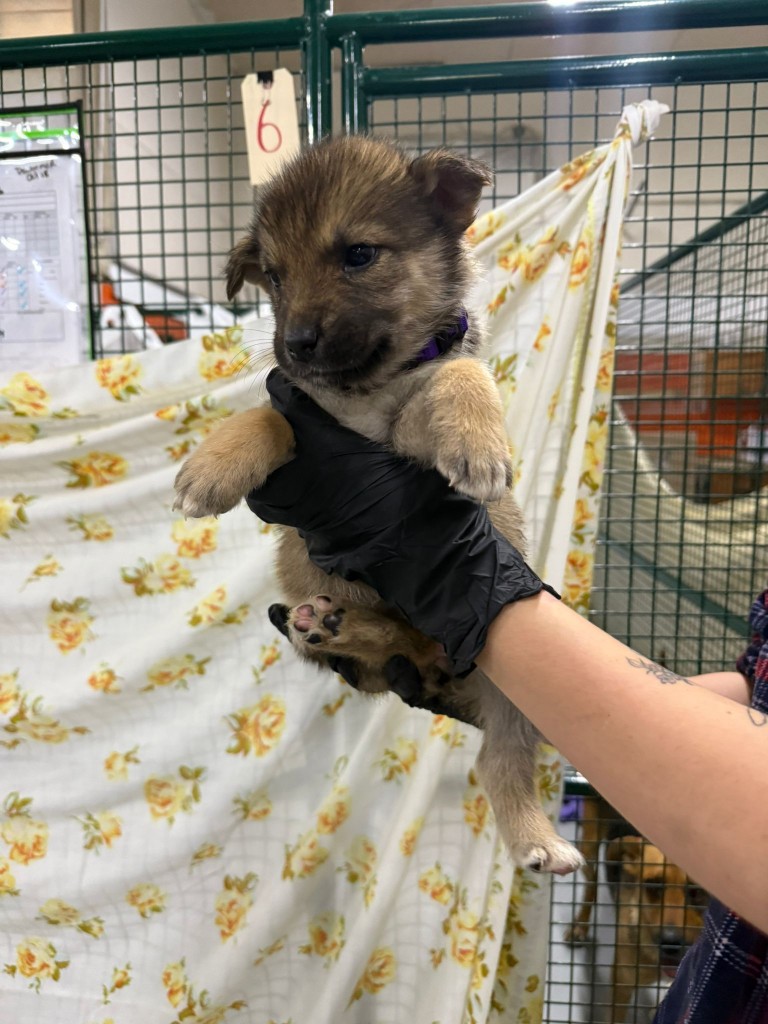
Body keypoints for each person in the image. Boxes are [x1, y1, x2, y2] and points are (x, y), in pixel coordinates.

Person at [246, 369, 768, 1021]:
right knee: (486, 698)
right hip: (719, 990)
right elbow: (755, 691)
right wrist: (563, 704)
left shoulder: (447, 372)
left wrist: (473, 591)